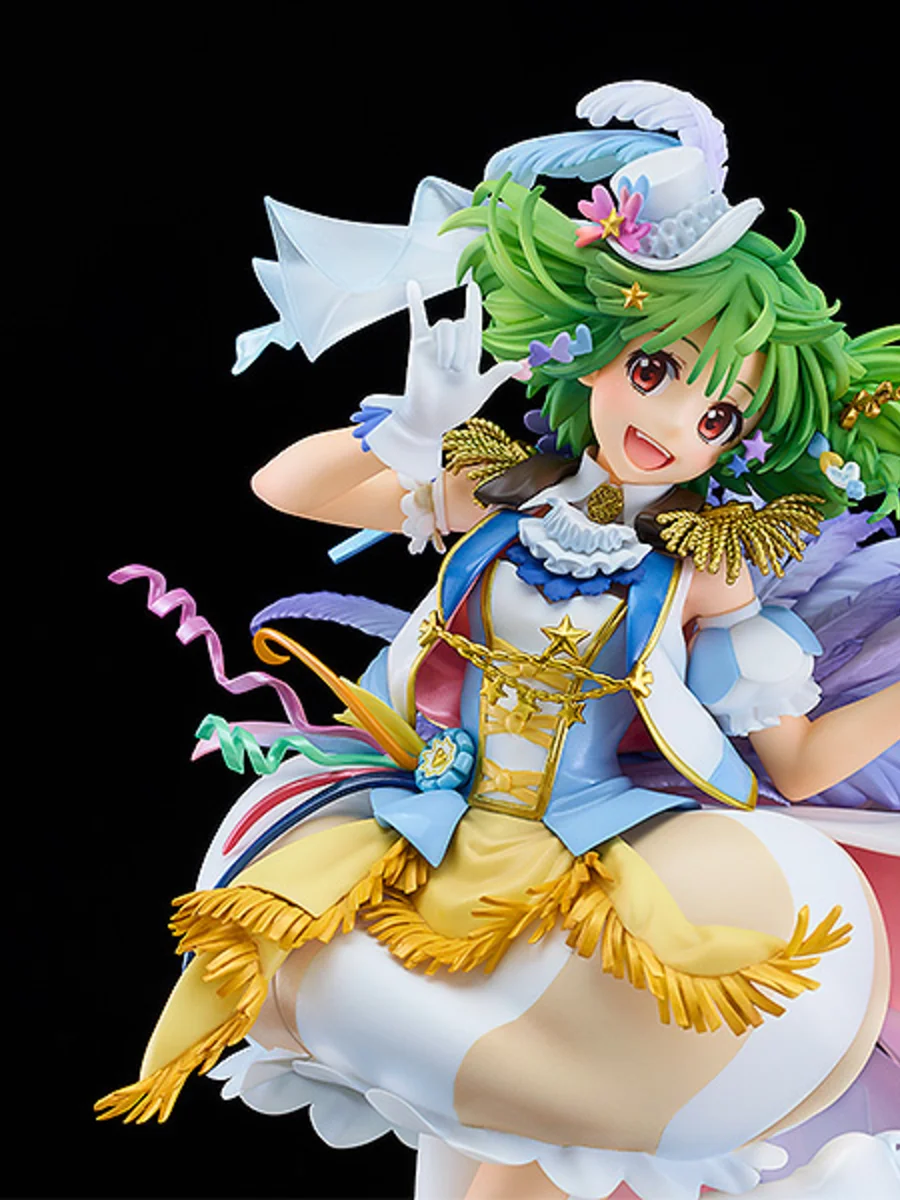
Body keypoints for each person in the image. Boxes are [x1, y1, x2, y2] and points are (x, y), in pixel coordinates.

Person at [96, 81, 900, 1200]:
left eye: (717, 416)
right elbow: (283, 486)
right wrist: (407, 434)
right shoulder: (499, 491)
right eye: (656, 370)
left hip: (588, 868)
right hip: (429, 838)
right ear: (598, 353)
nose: (672, 424)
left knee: (538, 1138)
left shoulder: (705, 566)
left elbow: (799, 763)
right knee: (450, 1131)